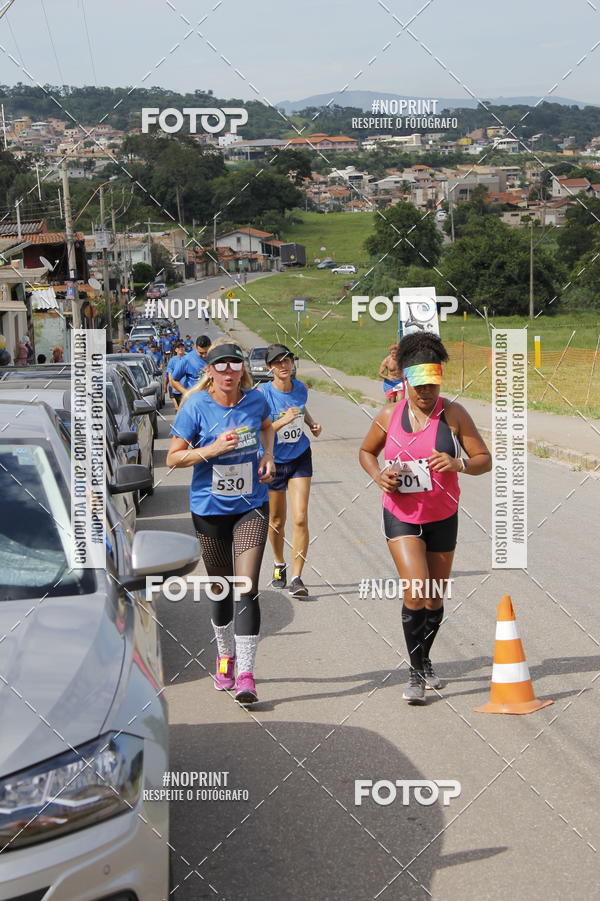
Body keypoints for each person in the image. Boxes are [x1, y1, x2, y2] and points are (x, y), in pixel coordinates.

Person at [359, 332, 492, 705]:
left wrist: (458, 463)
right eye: (419, 386)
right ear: (406, 381)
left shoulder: (453, 414)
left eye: (432, 385)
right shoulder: (389, 415)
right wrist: (378, 475)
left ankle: (425, 660)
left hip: (442, 515)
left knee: (434, 596)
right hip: (401, 514)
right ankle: (416, 674)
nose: (426, 393)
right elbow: (366, 452)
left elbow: (484, 460)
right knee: (416, 588)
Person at [166, 340, 275, 704]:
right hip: (209, 508)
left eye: (234, 364)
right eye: (221, 365)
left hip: (251, 506)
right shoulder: (196, 405)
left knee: (246, 586)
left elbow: (267, 428)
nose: (228, 371)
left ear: (242, 370)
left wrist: (269, 456)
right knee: (221, 587)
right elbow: (173, 458)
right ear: (210, 371)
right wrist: (212, 449)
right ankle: (225, 656)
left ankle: (246, 675)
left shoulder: (255, 400)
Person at [259, 344, 321, 598]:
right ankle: (278, 563)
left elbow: (301, 408)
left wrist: (312, 423)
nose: (283, 366)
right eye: (277, 362)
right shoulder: (262, 395)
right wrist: (281, 421)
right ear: (269, 368)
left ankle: (297, 578)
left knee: (300, 517)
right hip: (274, 461)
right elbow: (258, 430)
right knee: (276, 520)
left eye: (287, 360)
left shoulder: (300, 388)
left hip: (299, 457)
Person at [165, 341, 186, 410]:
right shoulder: (172, 360)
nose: (181, 349)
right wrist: (173, 385)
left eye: (182, 347)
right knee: (178, 408)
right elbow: (169, 374)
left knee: (185, 407)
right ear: (176, 350)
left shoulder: (187, 359)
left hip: (185, 387)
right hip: (176, 387)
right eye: (178, 347)